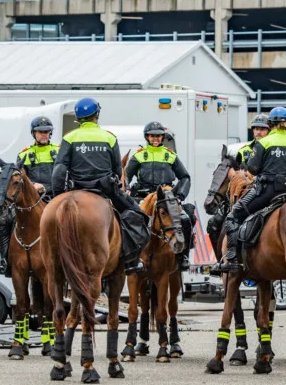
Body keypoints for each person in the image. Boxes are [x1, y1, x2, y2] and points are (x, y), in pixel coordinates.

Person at [51, 98, 148, 275]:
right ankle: (131, 261)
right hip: (105, 190)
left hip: (75, 189)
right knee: (138, 216)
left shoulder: (69, 137)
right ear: (96, 115)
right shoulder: (109, 137)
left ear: (79, 119)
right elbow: (118, 171)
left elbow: (59, 171)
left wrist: (59, 196)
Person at [216, 107, 286, 274]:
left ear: (270, 124)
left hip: (267, 192)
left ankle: (232, 259)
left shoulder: (264, 142)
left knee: (234, 215)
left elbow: (253, 169)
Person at [0, 116, 60, 276]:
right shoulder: (25, 154)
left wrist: (45, 187)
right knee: (3, 221)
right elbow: (19, 179)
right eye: (40, 132)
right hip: (30, 200)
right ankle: (5, 260)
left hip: (53, 197)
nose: (44, 134)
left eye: (47, 132)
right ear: (33, 134)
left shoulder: (58, 151)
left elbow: (62, 176)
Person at [124, 121, 195, 272]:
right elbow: (126, 177)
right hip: (142, 197)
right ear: (147, 137)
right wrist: (128, 189)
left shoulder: (171, 156)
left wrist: (180, 196)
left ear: (162, 138)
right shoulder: (138, 156)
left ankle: (183, 256)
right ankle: (130, 256)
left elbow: (185, 177)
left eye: (158, 136)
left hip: (166, 199)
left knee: (187, 217)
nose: (155, 139)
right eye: (152, 136)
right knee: (126, 218)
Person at [205, 114, 270, 251]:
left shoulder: (272, 149)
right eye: (256, 128)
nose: (258, 132)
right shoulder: (243, 151)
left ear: (269, 131)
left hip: (265, 191)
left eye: (262, 129)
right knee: (214, 223)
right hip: (244, 193)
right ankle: (222, 260)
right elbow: (236, 176)